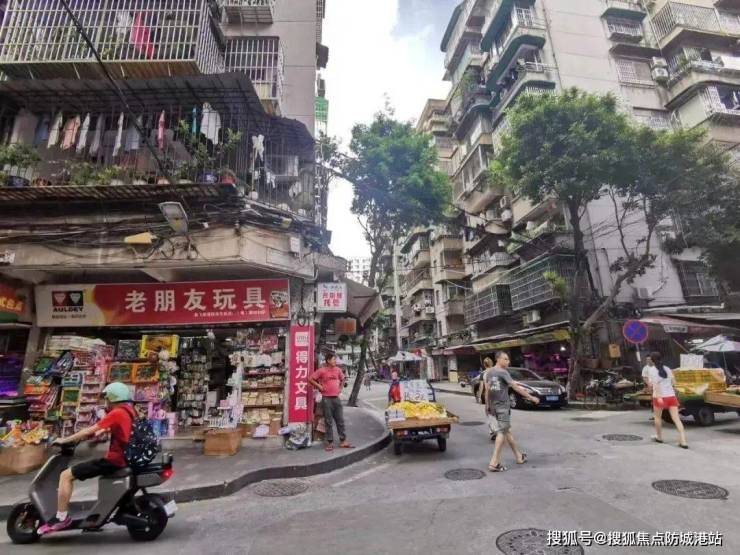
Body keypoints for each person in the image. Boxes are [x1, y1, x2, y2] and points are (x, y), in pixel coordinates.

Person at [39, 382, 135, 534]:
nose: (106, 402)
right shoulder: (128, 411)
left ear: (113, 398)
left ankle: (61, 518)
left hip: (114, 461)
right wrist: (101, 432)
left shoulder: (116, 413)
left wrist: (64, 440)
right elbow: (118, 428)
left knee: (66, 475)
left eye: (107, 398)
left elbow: (87, 431)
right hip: (123, 458)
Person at [485, 352, 540, 472]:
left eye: (508, 359)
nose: (508, 361)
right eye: (505, 359)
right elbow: (515, 387)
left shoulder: (490, 372)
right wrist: (531, 397)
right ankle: (494, 463)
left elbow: (488, 389)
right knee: (502, 432)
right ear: (498, 359)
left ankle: (518, 456)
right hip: (502, 406)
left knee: (507, 431)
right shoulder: (503, 372)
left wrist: (488, 406)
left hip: (495, 406)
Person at [309, 352, 354, 452]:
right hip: (326, 399)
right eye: (334, 359)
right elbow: (310, 379)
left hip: (336, 399)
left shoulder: (338, 370)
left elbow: (343, 379)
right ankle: (330, 442)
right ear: (328, 360)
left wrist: (340, 388)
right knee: (328, 421)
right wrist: (319, 386)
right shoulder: (322, 370)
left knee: (340, 420)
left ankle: (343, 441)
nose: (335, 361)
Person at [645, 352, 688, 449]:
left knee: (657, 418)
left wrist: (659, 397)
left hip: (659, 397)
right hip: (671, 396)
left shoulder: (651, 370)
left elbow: (654, 385)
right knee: (676, 419)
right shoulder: (667, 369)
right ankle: (683, 441)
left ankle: (659, 437)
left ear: (652, 360)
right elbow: (674, 382)